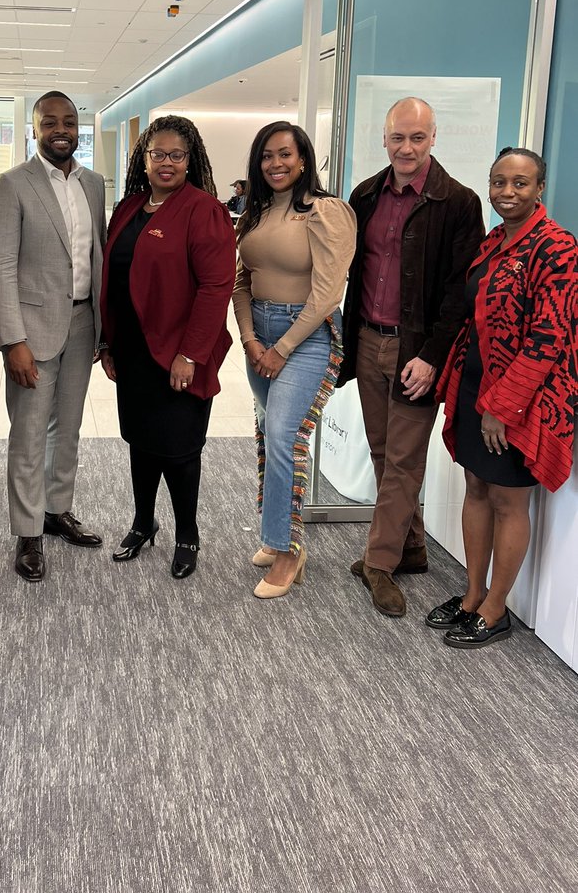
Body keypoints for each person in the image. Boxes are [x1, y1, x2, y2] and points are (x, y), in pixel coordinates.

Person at [339, 97, 485, 617]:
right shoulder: (364, 195)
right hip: (367, 341)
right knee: (382, 452)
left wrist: (432, 356)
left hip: (416, 351)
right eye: (398, 137)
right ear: (384, 138)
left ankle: (379, 562)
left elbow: (459, 291)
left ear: (433, 139)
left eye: (417, 138)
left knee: (403, 458)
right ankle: (414, 546)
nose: (407, 147)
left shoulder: (460, 203)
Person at [428, 148, 578, 648]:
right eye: (498, 183)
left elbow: (548, 337)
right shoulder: (496, 240)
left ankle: (496, 608)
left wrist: (503, 406)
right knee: (475, 490)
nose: (506, 193)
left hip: (521, 399)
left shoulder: (556, 247)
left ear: (539, 189)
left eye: (519, 184)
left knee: (508, 501)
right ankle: (472, 595)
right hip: (475, 385)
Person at [100, 116, 236, 579]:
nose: (166, 162)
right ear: (144, 157)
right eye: (157, 153)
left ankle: (187, 533)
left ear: (190, 158)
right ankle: (143, 522)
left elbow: (216, 288)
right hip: (134, 350)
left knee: (178, 449)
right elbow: (114, 279)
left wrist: (191, 355)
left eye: (177, 154)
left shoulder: (204, 209)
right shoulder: (128, 207)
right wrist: (109, 341)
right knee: (140, 441)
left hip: (179, 354)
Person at [0, 92, 107, 582]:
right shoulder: (11, 184)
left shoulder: (94, 184)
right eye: (49, 122)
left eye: (70, 122)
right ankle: (28, 531)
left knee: (69, 427)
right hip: (32, 330)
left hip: (82, 324)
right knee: (30, 433)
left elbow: (95, 256)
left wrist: (104, 329)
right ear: (34, 129)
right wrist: (12, 339)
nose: (61, 129)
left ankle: (57, 511)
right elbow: (1, 267)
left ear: (79, 128)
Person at [233, 121, 356, 599]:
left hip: (307, 337)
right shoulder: (256, 211)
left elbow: (329, 293)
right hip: (258, 333)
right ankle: (276, 533)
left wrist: (283, 348)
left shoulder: (327, 212)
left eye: (285, 154)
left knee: (286, 437)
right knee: (267, 434)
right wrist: (249, 339)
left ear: (303, 159)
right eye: (267, 156)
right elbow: (242, 281)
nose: (276, 164)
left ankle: (288, 551)